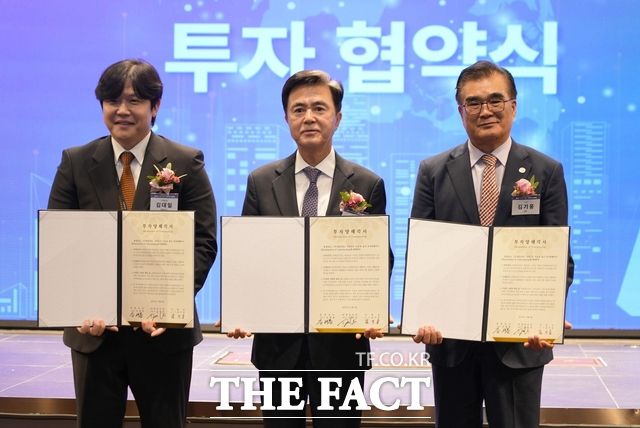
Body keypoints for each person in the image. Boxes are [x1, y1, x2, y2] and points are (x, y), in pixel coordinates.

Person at [47, 59, 217, 428]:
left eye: (135, 101)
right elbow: (59, 244)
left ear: (155, 107)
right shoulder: (76, 162)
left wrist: (169, 303)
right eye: (112, 101)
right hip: (94, 333)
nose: (122, 110)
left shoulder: (185, 162)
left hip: (162, 333)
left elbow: (203, 242)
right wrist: (79, 306)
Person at [411, 60, 574, 428]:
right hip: (451, 342)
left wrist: (546, 315)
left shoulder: (545, 171)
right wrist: (423, 314)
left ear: (513, 106)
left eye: (495, 100)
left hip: (520, 343)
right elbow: (422, 256)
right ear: (460, 111)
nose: (485, 110)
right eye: (473, 102)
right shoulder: (433, 171)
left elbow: (557, 255)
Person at [228, 70, 392, 427]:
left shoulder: (367, 183)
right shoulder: (261, 181)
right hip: (278, 348)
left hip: (341, 348)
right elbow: (248, 255)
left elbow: (379, 258)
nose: (309, 117)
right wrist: (242, 308)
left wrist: (372, 309)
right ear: (286, 118)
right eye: (298, 109)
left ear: (338, 117)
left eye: (319, 108)